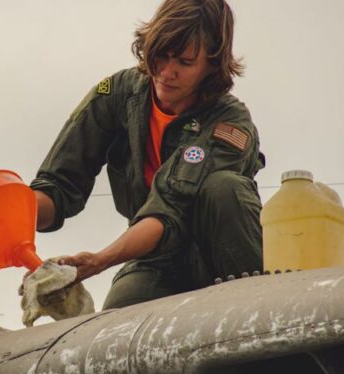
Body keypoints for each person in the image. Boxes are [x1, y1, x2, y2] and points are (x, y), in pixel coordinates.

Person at [29, 0, 265, 309]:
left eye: (184, 61)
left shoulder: (229, 123)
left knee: (225, 188)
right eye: (160, 56)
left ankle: (254, 308)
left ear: (211, 64)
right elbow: (59, 184)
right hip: (153, 259)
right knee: (114, 326)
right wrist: (13, 216)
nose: (167, 72)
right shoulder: (115, 93)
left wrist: (100, 260)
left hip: (217, 254)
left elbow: (169, 209)